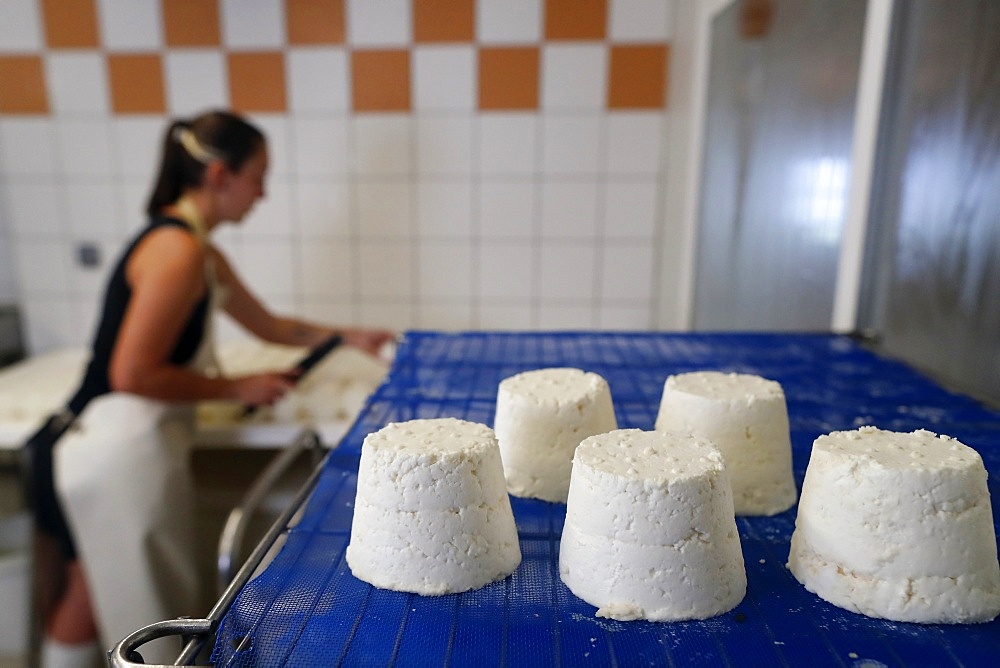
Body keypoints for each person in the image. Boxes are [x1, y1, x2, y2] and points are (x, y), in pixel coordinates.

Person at [24, 109, 395, 666]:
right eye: (259, 176)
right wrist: (235, 388)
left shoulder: (199, 250)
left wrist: (348, 336)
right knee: (94, 605)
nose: (263, 194)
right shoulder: (178, 253)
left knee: (86, 597)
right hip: (101, 450)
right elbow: (132, 373)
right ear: (221, 176)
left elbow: (270, 327)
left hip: (112, 446)